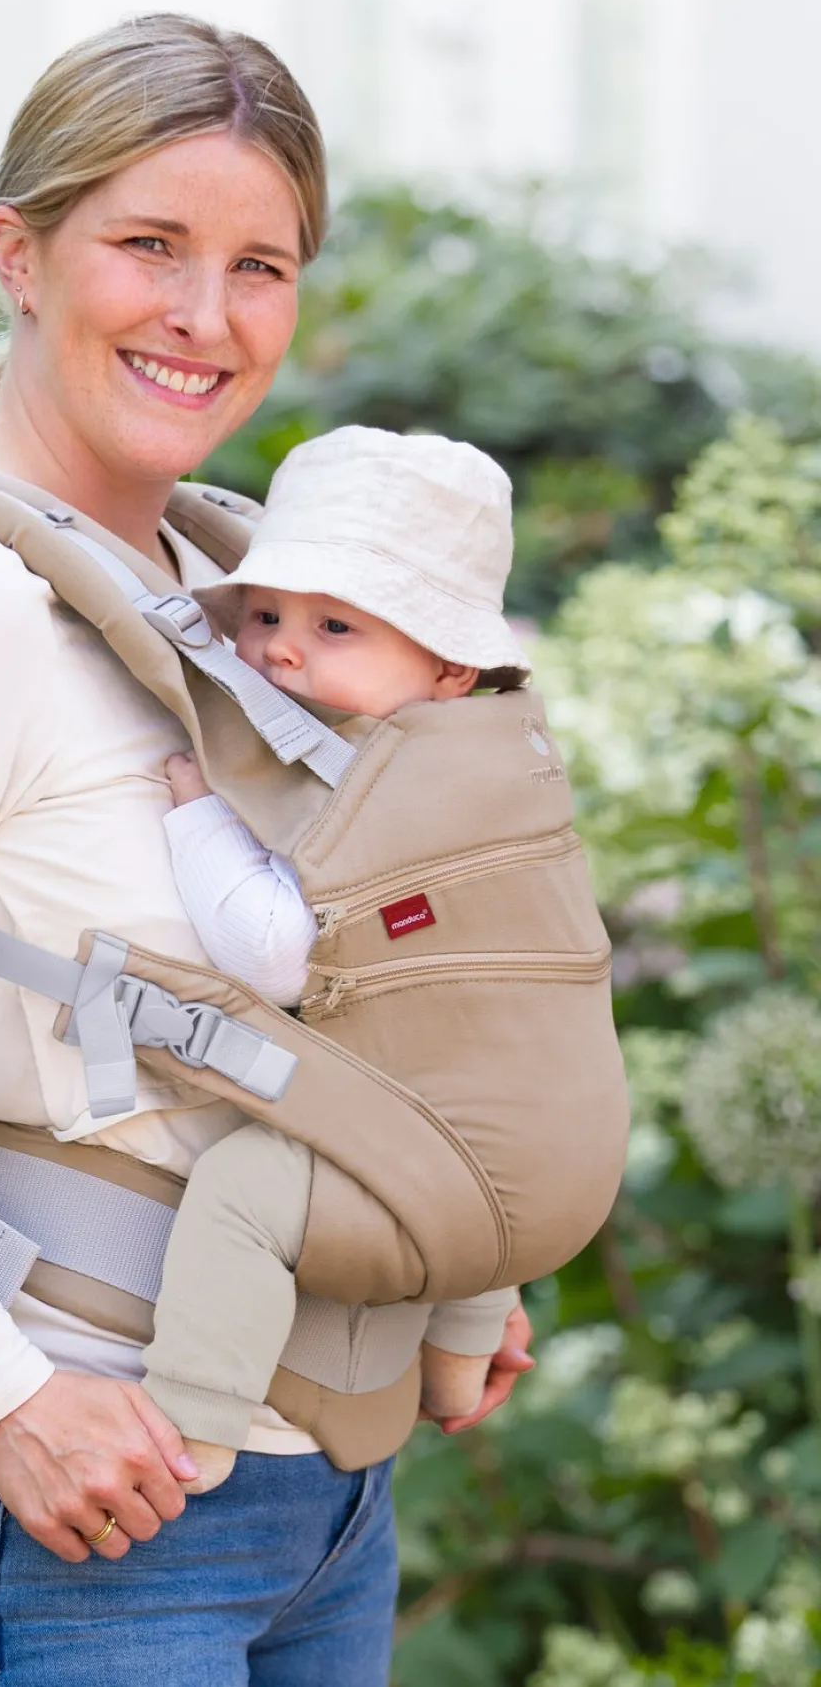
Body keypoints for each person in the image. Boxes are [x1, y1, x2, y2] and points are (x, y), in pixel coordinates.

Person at [0, 14, 533, 1686]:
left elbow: (337, 998)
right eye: (151, 246)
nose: (207, 315)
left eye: (260, 266)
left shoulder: (248, 605)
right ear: (19, 254)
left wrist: (443, 1270)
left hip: (319, 1499)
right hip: (65, 1520)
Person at [142, 425, 535, 1492]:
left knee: (240, 1191)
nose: (280, 649)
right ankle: (456, 1375)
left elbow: (278, 957)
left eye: (335, 626)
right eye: (266, 614)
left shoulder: (389, 790)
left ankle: (194, 1432)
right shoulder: (500, 764)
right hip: (514, 1129)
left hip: (431, 1124)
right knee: (491, 1200)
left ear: (448, 668)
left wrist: (199, 815)